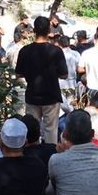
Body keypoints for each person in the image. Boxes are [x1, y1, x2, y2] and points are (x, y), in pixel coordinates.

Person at [15, 16, 69, 144]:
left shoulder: (25, 51)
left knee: (32, 130)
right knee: (51, 130)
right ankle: (49, 153)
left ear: (34, 30)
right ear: (49, 31)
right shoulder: (56, 51)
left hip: (32, 95)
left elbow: (18, 73)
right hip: (51, 95)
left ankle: (33, 153)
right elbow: (64, 75)